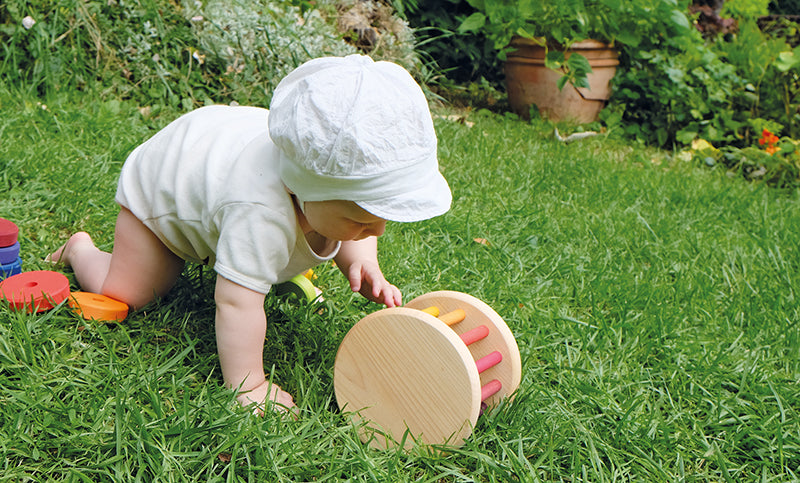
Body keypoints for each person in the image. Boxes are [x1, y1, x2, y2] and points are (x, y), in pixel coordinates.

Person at [49, 54, 452, 412]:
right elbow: (236, 303)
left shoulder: (321, 192)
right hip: (165, 186)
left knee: (283, 245)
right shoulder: (258, 212)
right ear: (306, 191)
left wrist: (362, 258)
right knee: (130, 291)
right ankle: (79, 248)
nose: (378, 228)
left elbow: (352, 220)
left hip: (221, 146)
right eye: (362, 220)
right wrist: (249, 386)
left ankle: (277, 258)